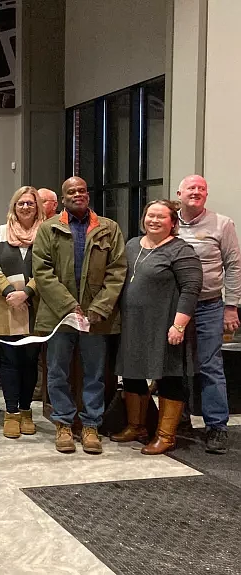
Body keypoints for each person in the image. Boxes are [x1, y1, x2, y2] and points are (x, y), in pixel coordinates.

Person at [33, 176, 126, 455]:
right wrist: (68, 306)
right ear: (63, 198)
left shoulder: (109, 229)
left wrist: (98, 308)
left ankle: (90, 426)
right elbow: (42, 271)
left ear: (88, 194)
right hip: (60, 317)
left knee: (95, 373)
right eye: (71, 191)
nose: (78, 194)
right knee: (57, 371)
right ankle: (63, 423)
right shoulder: (48, 229)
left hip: (96, 319)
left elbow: (117, 270)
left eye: (82, 190)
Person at [114, 200, 203, 454]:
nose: (153, 220)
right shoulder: (132, 245)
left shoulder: (180, 250)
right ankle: (136, 426)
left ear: (172, 223)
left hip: (165, 325)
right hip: (133, 324)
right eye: (150, 215)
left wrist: (179, 325)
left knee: (169, 377)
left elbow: (191, 288)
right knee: (132, 374)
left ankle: (166, 436)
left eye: (160, 217)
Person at [176, 175, 241, 454]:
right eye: (191, 188)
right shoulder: (168, 220)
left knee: (210, 366)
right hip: (175, 307)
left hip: (209, 306)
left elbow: (234, 266)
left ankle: (217, 426)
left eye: (201, 189)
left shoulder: (222, 224)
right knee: (174, 365)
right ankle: (178, 421)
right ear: (179, 193)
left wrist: (231, 306)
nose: (197, 192)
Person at [0, 187, 45, 438]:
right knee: (9, 362)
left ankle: (26, 411)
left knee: (30, 363)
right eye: (21, 203)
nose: (25, 207)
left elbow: (49, 268)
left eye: (30, 203)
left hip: (35, 307)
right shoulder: (0, 232)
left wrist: (27, 293)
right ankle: (10, 413)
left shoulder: (46, 232)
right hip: (5, 306)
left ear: (37, 206)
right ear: (14, 205)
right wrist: (10, 292)